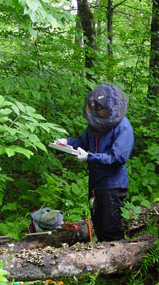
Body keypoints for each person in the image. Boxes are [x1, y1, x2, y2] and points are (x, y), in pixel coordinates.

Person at [56, 83, 134, 242]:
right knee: (99, 227)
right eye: (95, 109)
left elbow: (118, 157)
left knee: (111, 229)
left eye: (100, 108)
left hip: (112, 186)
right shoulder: (96, 125)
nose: (97, 112)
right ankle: (103, 261)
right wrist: (66, 142)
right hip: (96, 185)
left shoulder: (122, 125)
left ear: (110, 107)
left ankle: (118, 260)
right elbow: (82, 142)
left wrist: (90, 157)